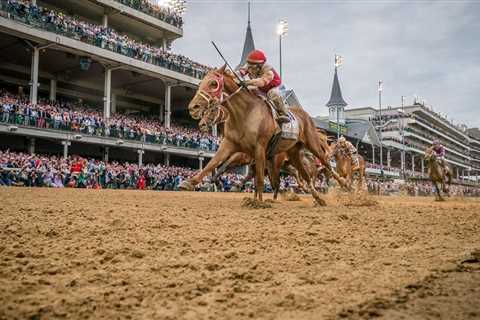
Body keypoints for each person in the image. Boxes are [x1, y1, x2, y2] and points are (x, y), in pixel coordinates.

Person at [239, 50, 290, 124]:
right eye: (249, 65)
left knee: (272, 93)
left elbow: (261, 82)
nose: (250, 69)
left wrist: (247, 82)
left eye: (253, 67)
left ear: (260, 65)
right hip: (262, 90)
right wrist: (229, 74)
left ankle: (284, 113)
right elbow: (239, 73)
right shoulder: (249, 65)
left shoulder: (269, 72)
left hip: (277, 88)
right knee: (245, 90)